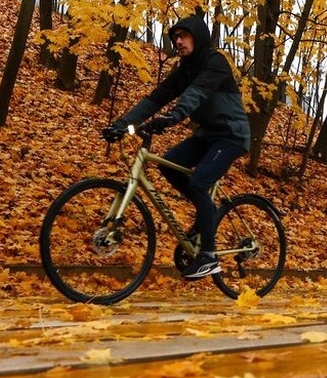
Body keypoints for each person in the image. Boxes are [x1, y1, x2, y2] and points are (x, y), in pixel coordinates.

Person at [102, 15, 250, 279]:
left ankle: (209, 256)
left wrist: (175, 116)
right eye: (175, 38)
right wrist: (123, 123)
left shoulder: (215, 62)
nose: (178, 42)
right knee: (169, 165)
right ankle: (207, 216)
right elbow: (156, 97)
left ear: (198, 37)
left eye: (184, 36)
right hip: (206, 136)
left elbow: (198, 93)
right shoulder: (185, 69)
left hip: (231, 136)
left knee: (198, 183)